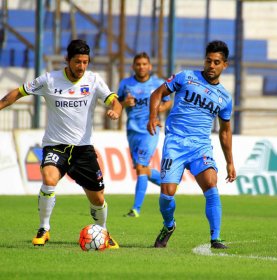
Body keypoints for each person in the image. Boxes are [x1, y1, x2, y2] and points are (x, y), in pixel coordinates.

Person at [0, 39, 122, 248]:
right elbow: (18, 93)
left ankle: (103, 231)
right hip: (56, 145)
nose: (81, 67)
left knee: (98, 199)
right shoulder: (49, 80)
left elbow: (114, 101)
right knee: (49, 178)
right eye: (77, 62)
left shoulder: (93, 80)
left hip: (83, 149)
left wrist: (115, 111)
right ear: (67, 60)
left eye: (85, 62)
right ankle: (44, 228)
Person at [147, 40, 236, 249]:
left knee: (211, 183)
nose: (211, 66)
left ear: (225, 65)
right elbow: (157, 94)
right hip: (175, 143)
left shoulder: (225, 98)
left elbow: (225, 131)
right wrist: (152, 116)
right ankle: (169, 225)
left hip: (200, 146)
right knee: (167, 194)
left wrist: (230, 162)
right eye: (208, 61)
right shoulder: (186, 77)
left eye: (216, 62)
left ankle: (216, 238)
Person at [117, 52, 172, 218]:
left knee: (141, 166)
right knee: (142, 170)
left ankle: (136, 209)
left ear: (150, 66)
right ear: (133, 66)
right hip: (132, 130)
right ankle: (168, 184)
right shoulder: (125, 84)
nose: (141, 67)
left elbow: (168, 101)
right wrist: (124, 103)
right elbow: (116, 103)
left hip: (150, 130)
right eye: (138, 64)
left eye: (144, 64)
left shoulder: (157, 83)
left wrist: (160, 109)